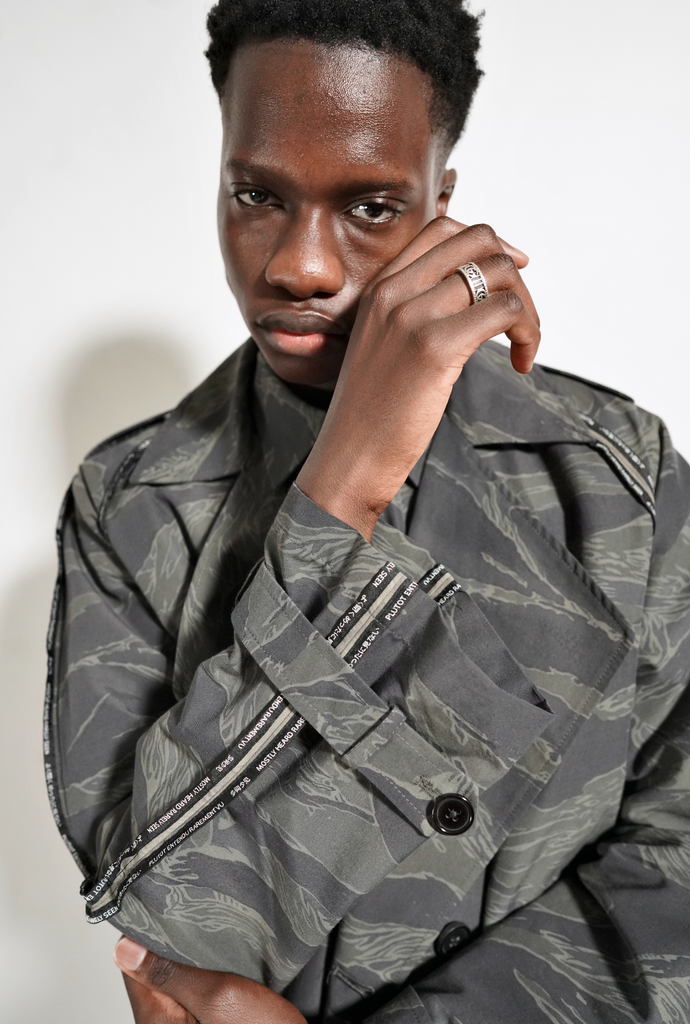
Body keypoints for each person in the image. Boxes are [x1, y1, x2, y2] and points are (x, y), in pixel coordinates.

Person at [44, 0, 690, 1021]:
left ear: (443, 206)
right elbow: (171, 926)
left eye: (373, 208)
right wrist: (341, 487)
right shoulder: (131, 509)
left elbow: (677, 866)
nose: (299, 265)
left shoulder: (616, 475)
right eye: (256, 194)